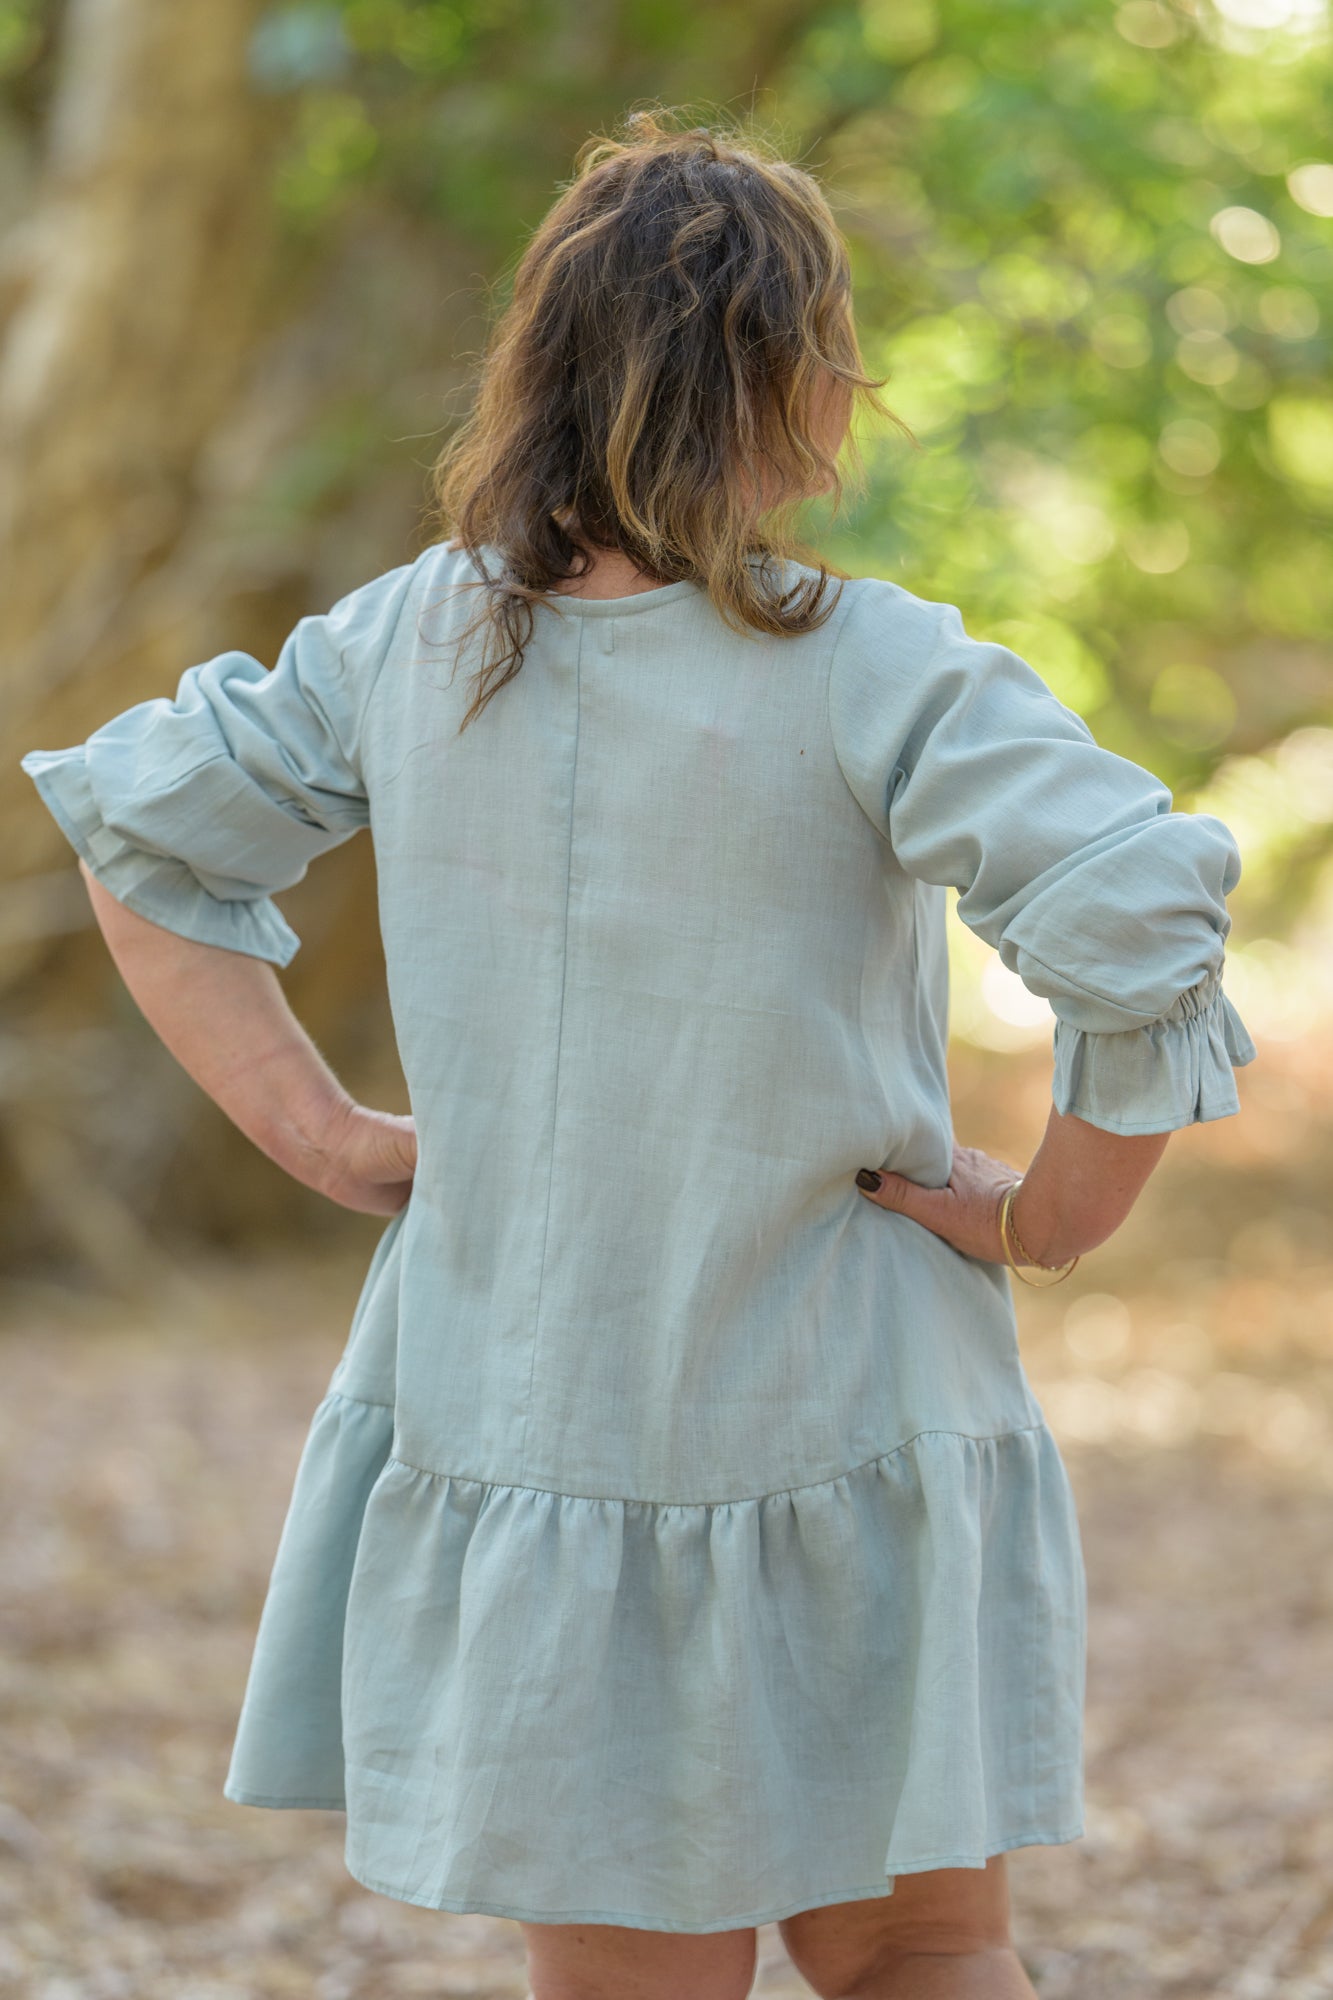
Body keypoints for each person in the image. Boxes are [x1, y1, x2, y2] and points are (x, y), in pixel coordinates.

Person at [19, 110, 1255, 2000]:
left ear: (539, 375)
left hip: (547, 1406)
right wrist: (1051, 1216)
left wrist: (329, 1137)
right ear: (805, 389)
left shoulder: (407, 646)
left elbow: (148, 844)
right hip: (845, 1404)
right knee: (922, 1945)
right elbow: (1132, 911)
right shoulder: (873, 664)